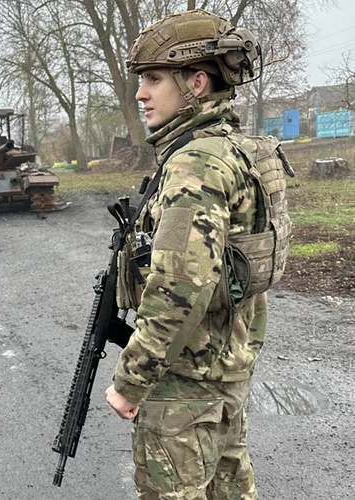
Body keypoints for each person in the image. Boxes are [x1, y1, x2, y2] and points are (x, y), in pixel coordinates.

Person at [104, 9, 293, 499]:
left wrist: (131, 380)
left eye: (152, 79)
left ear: (197, 83)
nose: (140, 93)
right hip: (227, 371)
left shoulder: (196, 163)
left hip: (184, 384)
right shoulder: (238, 149)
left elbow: (179, 289)